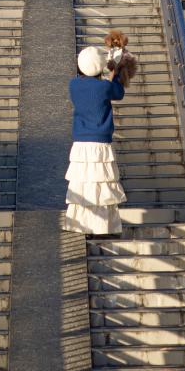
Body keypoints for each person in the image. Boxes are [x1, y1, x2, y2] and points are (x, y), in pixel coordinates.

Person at [63, 45, 127, 236]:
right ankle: (104, 227)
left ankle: (82, 225)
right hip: (101, 142)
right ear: (100, 67)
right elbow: (119, 92)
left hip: (81, 144)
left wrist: (104, 67)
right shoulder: (105, 87)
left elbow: (90, 82)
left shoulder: (73, 85)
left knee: (83, 184)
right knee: (102, 185)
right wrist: (114, 70)